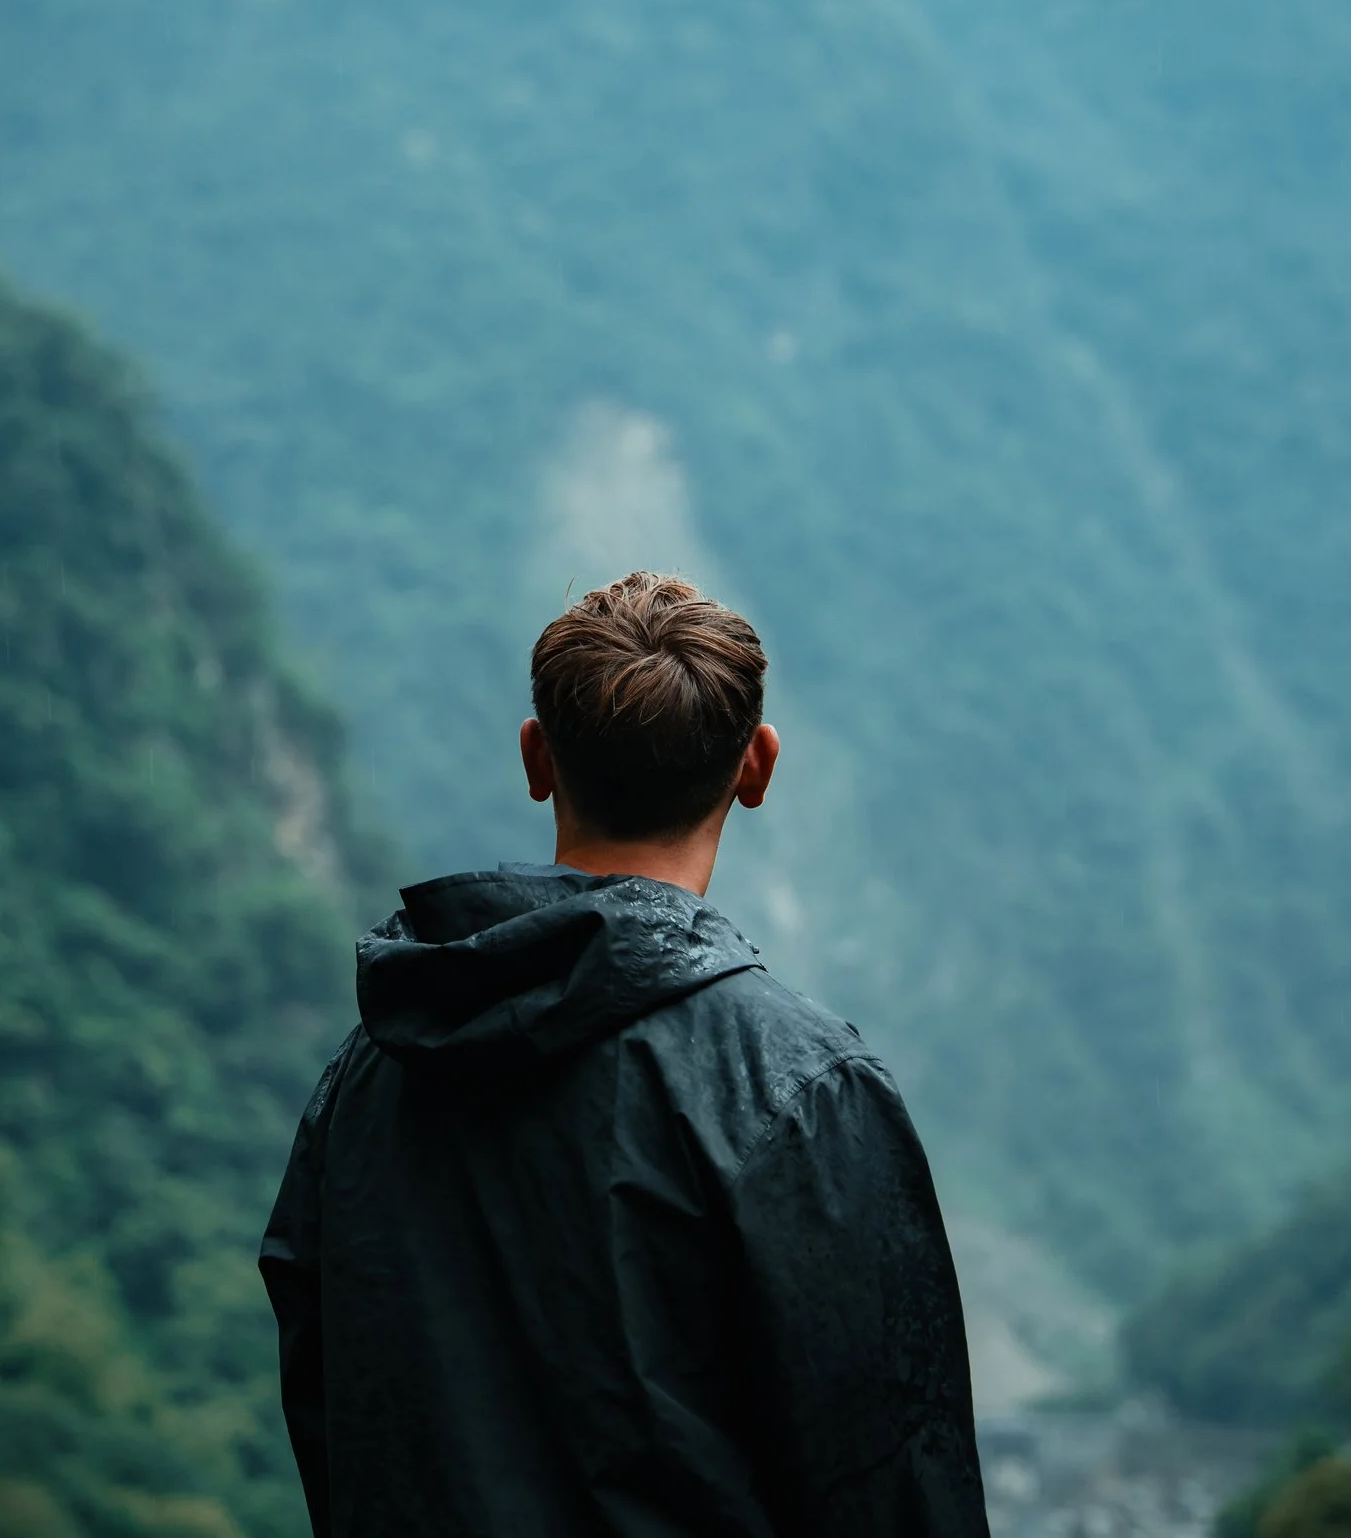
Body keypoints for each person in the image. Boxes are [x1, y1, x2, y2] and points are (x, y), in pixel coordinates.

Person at [260, 571, 989, 1536]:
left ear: (537, 759)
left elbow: (329, 1405)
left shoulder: (371, 1073)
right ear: (757, 766)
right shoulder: (800, 1091)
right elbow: (894, 1473)